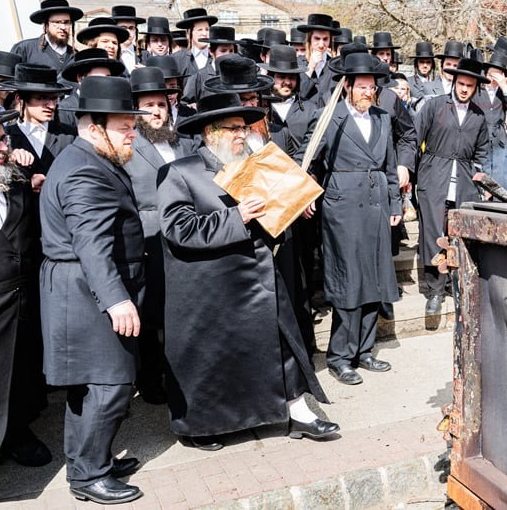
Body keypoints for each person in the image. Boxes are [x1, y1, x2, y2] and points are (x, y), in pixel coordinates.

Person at [159, 93, 336, 450]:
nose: (243, 135)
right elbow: (179, 229)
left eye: (244, 127)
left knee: (280, 345)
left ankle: (297, 410)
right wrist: (236, 217)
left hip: (257, 275)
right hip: (208, 286)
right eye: (234, 129)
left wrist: (292, 205)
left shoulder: (256, 165)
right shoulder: (180, 172)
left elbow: (272, 215)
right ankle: (202, 427)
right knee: (213, 359)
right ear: (211, 132)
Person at [39, 76, 147, 504]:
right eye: (125, 126)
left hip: (81, 287)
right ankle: (88, 477)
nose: (133, 133)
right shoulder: (86, 169)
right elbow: (91, 243)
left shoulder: (85, 157)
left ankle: (90, 459)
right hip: (87, 291)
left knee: (91, 384)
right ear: (93, 126)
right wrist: (117, 299)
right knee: (109, 385)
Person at [296, 49, 401, 386]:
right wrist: (306, 189)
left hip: (377, 204)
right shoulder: (330, 117)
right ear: (347, 88)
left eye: (372, 88)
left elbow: (389, 165)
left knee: (375, 277)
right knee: (348, 280)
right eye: (361, 88)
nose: (368, 93)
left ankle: (365, 350)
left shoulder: (383, 118)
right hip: (342, 207)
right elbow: (306, 157)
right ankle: (341, 356)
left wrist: (395, 205)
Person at [124, 68, 197, 405]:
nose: (156, 111)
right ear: (136, 110)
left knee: (183, 311)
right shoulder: (127, 146)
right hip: (149, 239)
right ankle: (152, 381)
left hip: (185, 236)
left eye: (161, 104)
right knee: (152, 316)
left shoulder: (182, 140)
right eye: (148, 105)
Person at [0, 109, 50, 469]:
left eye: (3, 139)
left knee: (17, 374)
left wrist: (30, 176)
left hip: (18, 302)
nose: (3, 147)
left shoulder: (14, 180)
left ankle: (16, 433)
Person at [413, 57, 490, 315]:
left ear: (476, 87)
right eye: (461, 83)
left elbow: (483, 153)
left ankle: (455, 285)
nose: (464, 89)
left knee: (458, 237)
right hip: (435, 178)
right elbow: (413, 140)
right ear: (454, 82)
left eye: (470, 85)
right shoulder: (435, 106)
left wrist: (483, 181)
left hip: (464, 184)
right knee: (435, 235)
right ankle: (435, 290)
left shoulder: (479, 116)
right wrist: (411, 176)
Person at [6, 64, 75, 192]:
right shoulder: (6, 138)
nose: (51, 106)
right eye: (42, 98)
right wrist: (27, 183)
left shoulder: (70, 135)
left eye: (54, 99)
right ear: (19, 99)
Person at [474, 38, 507, 193]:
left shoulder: (504, 92)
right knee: (482, 185)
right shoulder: (477, 90)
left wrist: (504, 87)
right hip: (480, 142)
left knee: (501, 186)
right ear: (487, 72)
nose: (495, 76)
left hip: (500, 145)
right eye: (493, 72)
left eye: (499, 73)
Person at [262, 45, 316, 155]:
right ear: (271, 77)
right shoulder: (261, 108)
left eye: (292, 77)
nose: (287, 82)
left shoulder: (310, 109)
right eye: (281, 77)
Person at [57, 48, 126, 126]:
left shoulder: (113, 106)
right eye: (99, 79)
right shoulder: (66, 109)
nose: (105, 82)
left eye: (108, 77)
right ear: (80, 78)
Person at [11, 0, 83, 70]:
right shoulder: (25, 49)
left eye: (67, 22)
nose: (63, 27)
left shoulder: (75, 55)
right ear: (46, 24)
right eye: (57, 22)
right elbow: (8, 79)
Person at [183, 26, 240, 103]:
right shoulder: (199, 77)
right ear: (211, 52)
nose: (228, 55)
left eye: (231, 51)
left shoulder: (238, 76)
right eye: (223, 51)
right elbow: (185, 103)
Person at [298, 13, 342, 103]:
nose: (321, 44)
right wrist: (310, 67)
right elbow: (299, 95)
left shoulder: (335, 66)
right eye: (317, 39)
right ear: (310, 39)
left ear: (330, 40)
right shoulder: (298, 63)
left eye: (325, 39)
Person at [172, 8, 217, 79]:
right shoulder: (177, 59)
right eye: (199, 30)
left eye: (207, 29)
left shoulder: (216, 56)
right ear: (189, 33)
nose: (204, 34)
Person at [110, 5, 146, 73]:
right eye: (123, 28)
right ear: (115, 29)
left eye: (131, 28)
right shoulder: (108, 54)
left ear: (136, 30)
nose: (128, 32)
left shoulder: (144, 55)